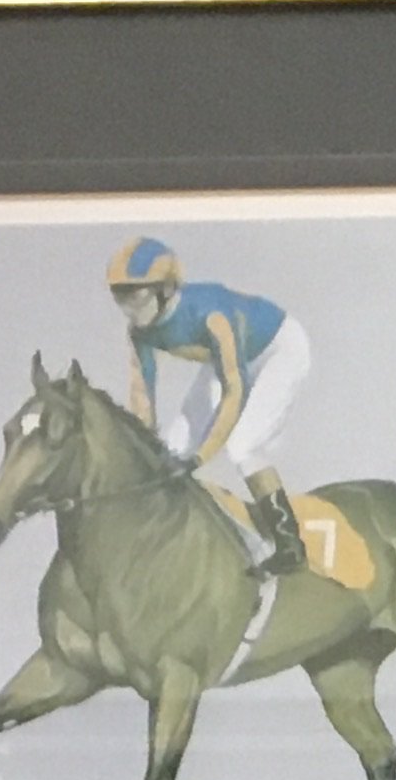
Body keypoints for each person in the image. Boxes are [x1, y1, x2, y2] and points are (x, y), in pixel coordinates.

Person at [105, 237, 314, 579]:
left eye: (136, 296)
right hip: (231, 360)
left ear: (166, 289)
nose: (129, 308)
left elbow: (234, 390)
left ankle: (289, 543)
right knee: (168, 452)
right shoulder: (139, 332)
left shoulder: (211, 315)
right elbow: (142, 395)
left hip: (278, 349)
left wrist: (201, 457)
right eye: (121, 297)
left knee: (243, 443)